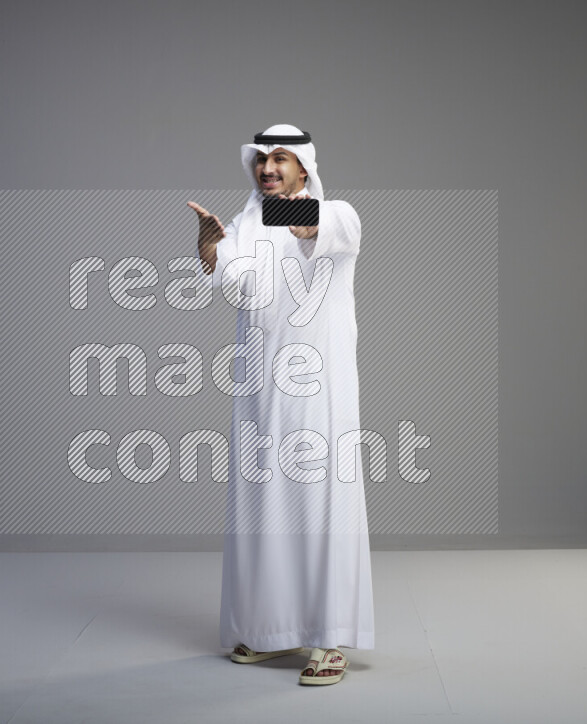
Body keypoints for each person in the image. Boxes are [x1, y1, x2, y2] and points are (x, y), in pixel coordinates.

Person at [188, 124, 374, 686]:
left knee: (323, 508)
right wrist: (211, 250)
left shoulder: (338, 212)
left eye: (281, 160)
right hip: (258, 392)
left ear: (304, 168)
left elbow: (327, 229)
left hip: (320, 390)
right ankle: (273, 633)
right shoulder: (245, 224)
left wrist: (302, 219)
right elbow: (239, 288)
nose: (267, 168)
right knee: (261, 512)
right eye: (261, 160)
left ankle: (329, 641)